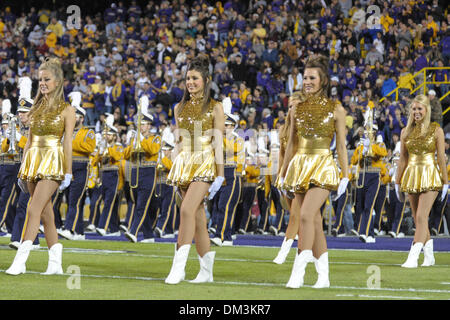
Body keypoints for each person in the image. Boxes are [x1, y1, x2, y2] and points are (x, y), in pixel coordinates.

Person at [279, 55, 349, 289]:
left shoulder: (336, 109)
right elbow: (290, 144)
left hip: (323, 164)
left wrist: (346, 175)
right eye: (305, 77)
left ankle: (298, 271)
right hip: (299, 166)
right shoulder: (296, 108)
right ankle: (324, 277)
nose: (307, 81)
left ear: (323, 81)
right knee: (315, 222)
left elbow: (340, 145)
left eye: (312, 77)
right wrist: (283, 174)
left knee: (307, 215)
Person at [6, 57, 75, 275]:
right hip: (33, 162)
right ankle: (55, 262)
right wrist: (22, 168)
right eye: (40, 79)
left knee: (33, 208)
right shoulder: (36, 107)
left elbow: (68, 143)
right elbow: (30, 141)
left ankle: (20, 260)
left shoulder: (67, 110)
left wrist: (68, 172)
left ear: (58, 81)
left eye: (47, 79)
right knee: (46, 214)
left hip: (53, 162)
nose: (43, 83)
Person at [165, 54, 225, 285]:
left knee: (187, 210)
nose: (190, 82)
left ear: (206, 80)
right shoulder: (179, 107)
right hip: (184, 164)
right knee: (198, 218)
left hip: (205, 162)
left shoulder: (215, 107)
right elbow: (180, 141)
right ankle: (206, 272)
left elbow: (218, 141)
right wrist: (174, 161)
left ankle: (178, 268)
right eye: (188, 78)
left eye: (195, 78)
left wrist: (220, 174)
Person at [395, 94, 448, 268]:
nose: (416, 112)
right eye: (414, 108)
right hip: (411, 174)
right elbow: (403, 158)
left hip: (430, 173)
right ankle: (430, 256)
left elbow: (441, 157)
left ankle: (413, 256)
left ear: (427, 110)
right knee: (419, 218)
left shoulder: (436, 129)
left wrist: (446, 181)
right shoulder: (405, 131)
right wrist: (397, 181)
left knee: (420, 216)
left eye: (420, 108)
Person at [58, 91, 96, 240]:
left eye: (76, 116)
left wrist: (70, 143)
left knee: (75, 199)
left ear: (81, 118)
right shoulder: (66, 132)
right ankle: (79, 232)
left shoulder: (88, 132)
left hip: (81, 166)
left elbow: (89, 148)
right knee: (71, 200)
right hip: (67, 166)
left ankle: (69, 229)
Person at [123, 96, 161, 243]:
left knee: (141, 205)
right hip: (135, 172)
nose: (142, 126)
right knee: (138, 204)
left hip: (148, 173)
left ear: (149, 125)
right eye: (140, 124)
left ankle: (133, 231)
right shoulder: (135, 138)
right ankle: (148, 235)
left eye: (144, 124)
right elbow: (125, 155)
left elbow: (152, 151)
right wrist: (133, 143)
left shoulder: (154, 138)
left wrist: (141, 140)